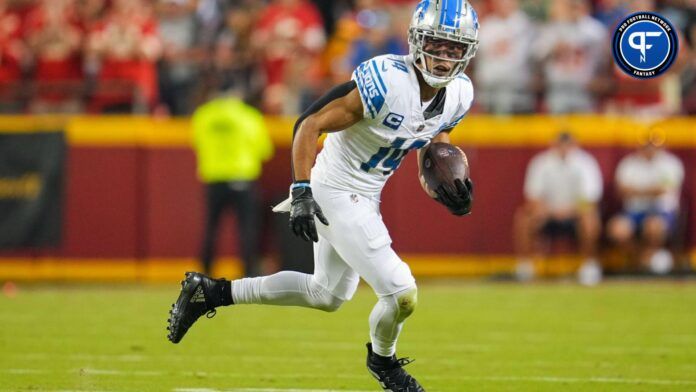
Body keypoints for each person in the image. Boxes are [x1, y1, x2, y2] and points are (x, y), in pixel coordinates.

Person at [167, 1, 478, 390]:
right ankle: (385, 364)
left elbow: (433, 136)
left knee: (326, 294)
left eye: (453, 48)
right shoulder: (388, 80)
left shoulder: (458, 94)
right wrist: (301, 189)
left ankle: (210, 292)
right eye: (436, 43)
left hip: (366, 192)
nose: (444, 57)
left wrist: (445, 180)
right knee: (401, 292)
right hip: (335, 187)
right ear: (416, 39)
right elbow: (309, 123)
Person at [192, 90, 274, 277]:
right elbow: (264, 150)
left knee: (211, 228)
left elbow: (197, 141)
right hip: (242, 177)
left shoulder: (203, 115)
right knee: (247, 229)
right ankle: (249, 273)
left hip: (214, 178)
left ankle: (204, 273)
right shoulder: (249, 116)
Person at [514, 132, 603, 284]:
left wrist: (567, 211)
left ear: (574, 145)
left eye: (567, 144)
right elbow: (533, 197)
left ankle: (589, 265)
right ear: (554, 145)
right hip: (547, 214)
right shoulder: (541, 163)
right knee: (523, 217)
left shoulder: (586, 163)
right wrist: (547, 211)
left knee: (590, 218)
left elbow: (589, 199)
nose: (564, 148)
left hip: (576, 215)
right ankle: (526, 266)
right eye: (561, 144)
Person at [606, 132, 685, 274]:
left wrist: (637, 191)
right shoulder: (629, 163)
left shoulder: (670, 164)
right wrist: (651, 190)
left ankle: (650, 260)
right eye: (646, 145)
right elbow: (622, 190)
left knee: (653, 225)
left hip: (662, 211)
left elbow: (664, 190)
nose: (649, 149)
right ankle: (641, 260)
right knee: (618, 229)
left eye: (653, 145)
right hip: (634, 211)